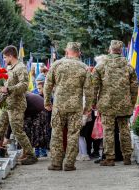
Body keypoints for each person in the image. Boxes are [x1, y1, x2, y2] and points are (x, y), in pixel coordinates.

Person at [44, 42, 93, 171]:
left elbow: (47, 85)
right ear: (79, 52)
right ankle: (69, 163)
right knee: (73, 134)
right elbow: (89, 90)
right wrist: (87, 108)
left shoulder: (56, 65)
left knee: (56, 133)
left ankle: (56, 163)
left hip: (59, 105)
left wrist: (47, 102)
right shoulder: (84, 67)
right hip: (75, 106)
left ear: (67, 51)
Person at [0, 45, 37, 165]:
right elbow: (5, 83)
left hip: (16, 105)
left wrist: (9, 89)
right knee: (0, 126)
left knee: (17, 130)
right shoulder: (11, 68)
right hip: (8, 104)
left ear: (10, 56)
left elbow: (24, 85)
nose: (4, 60)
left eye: (5, 57)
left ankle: (30, 155)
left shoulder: (20, 68)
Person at [92, 40, 138, 166]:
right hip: (124, 104)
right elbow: (134, 87)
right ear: (121, 51)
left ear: (109, 49)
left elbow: (94, 86)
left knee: (108, 131)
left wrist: (93, 103)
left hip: (106, 104)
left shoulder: (100, 66)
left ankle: (110, 158)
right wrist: (132, 102)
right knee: (124, 130)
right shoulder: (129, 66)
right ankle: (127, 157)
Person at [24, 92, 50, 157]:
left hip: (39, 112)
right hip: (42, 111)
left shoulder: (22, 98)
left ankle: (39, 153)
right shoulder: (27, 95)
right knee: (41, 132)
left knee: (36, 132)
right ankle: (41, 152)